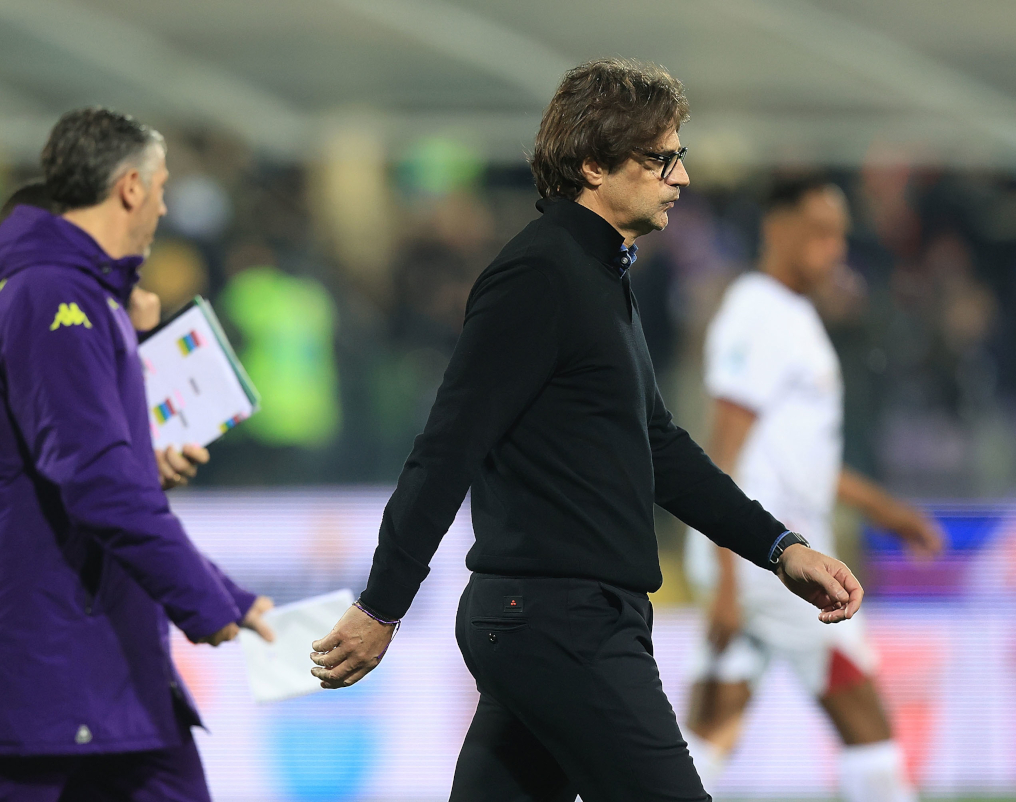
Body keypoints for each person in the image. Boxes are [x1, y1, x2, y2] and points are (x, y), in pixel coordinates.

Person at [310, 58, 865, 802]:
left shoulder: (599, 276)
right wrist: (383, 604)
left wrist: (779, 548)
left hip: (552, 621)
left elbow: (659, 446)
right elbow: (447, 448)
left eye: (680, 156)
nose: (682, 178)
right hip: (561, 624)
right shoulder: (539, 277)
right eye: (661, 158)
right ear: (593, 164)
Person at [0, 107, 273, 802]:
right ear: (130, 189)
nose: (167, 205)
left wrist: (222, 592)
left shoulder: (77, 299)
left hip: (96, 663)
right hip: (46, 667)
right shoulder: (53, 299)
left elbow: (80, 470)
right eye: (163, 185)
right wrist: (206, 600)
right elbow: (96, 482)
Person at [682, 177, 945, 802]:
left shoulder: (792, 316)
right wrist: (725, 581)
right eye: (820, 232)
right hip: (767, 558)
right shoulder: (758, 312)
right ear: (778, 229)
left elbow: (799, 461)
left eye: (840, 236)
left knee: (713, 726)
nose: (834, 249)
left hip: (760, 557)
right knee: (867, 723)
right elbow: (721, 457)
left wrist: (888, 512)